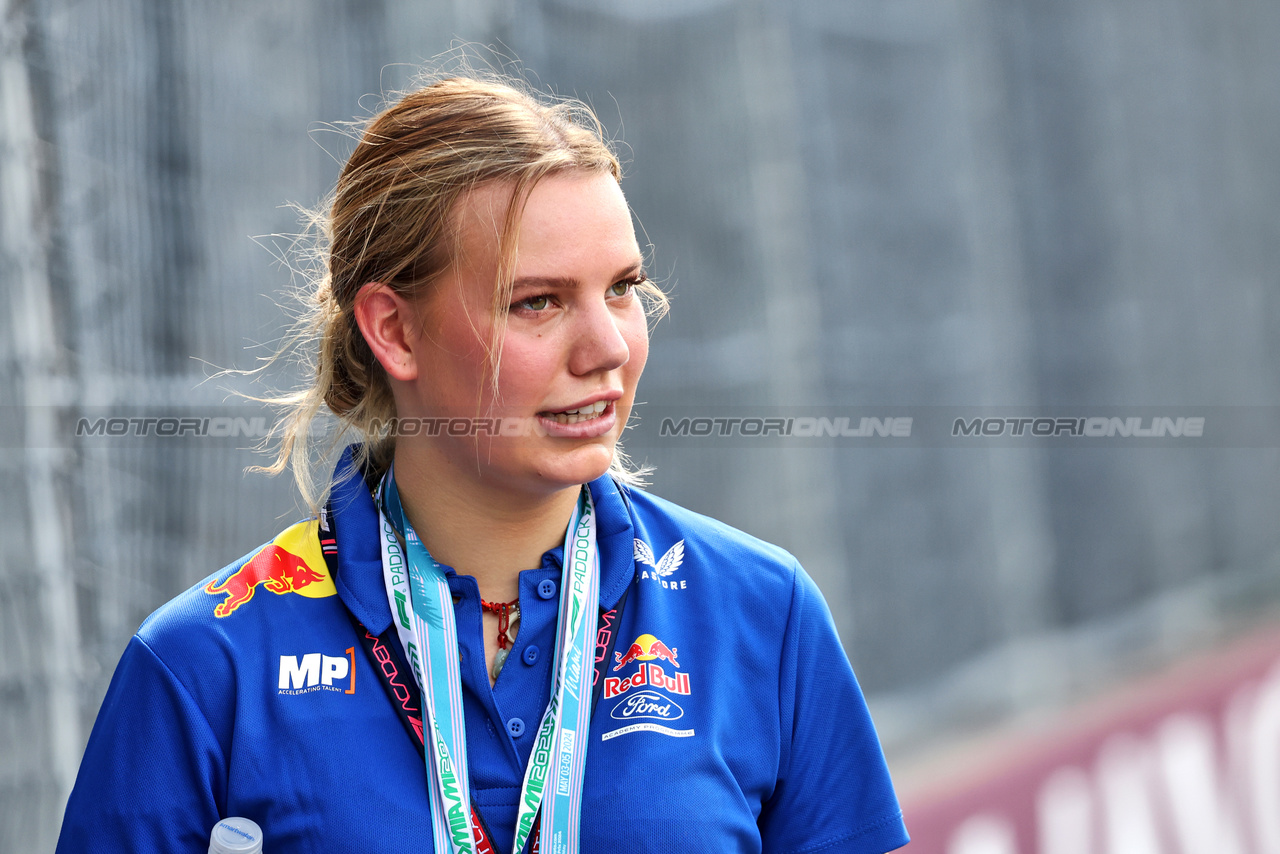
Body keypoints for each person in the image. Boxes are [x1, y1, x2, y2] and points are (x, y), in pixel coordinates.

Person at [57, 73, 909, 854]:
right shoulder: (206, 665)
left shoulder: (762, 613)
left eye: (622, 287)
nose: (609, 346)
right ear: (393, 330)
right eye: (537, 302)